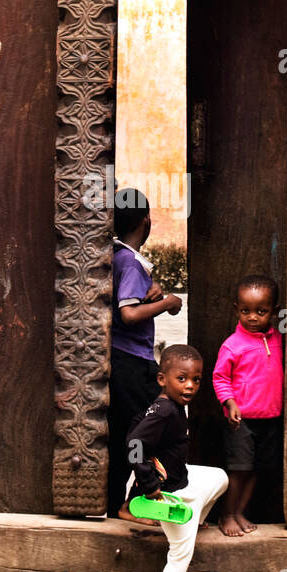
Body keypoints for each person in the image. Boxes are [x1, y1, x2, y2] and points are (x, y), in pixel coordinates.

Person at [120, 344, 228, 572]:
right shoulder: (165, 410)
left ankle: (195, 520)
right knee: (181, 552)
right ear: (162, 379)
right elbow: (133, 444)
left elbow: (135, 426)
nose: (190, 386)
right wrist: (149, 484)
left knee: (219, 477)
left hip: (181, 477)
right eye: (182, 379)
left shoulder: (166, 405)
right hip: (169, 492)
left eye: (196, 379)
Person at [107, 189, 182, 515]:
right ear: (146, 221)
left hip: (121, 362)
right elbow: (128, 314)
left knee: (124, 432)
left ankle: (115, 505)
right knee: (159, 427)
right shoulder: (130, 262)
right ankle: (138, 499)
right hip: (132, 364)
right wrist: (168, 303)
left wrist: (151, 298)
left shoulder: (114, 256)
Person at [212, 275, 284, 537]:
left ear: (274, 312)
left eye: (261, 311)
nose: (252, 317)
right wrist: (229, 403)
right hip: (241, 420)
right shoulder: (233, 345)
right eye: (245, 311)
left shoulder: (278, 340)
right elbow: (220, 377)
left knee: (257, 470)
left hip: (271, 419)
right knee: (239, 470)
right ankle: (227, 514)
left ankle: (240, 511)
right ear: (236, 309)